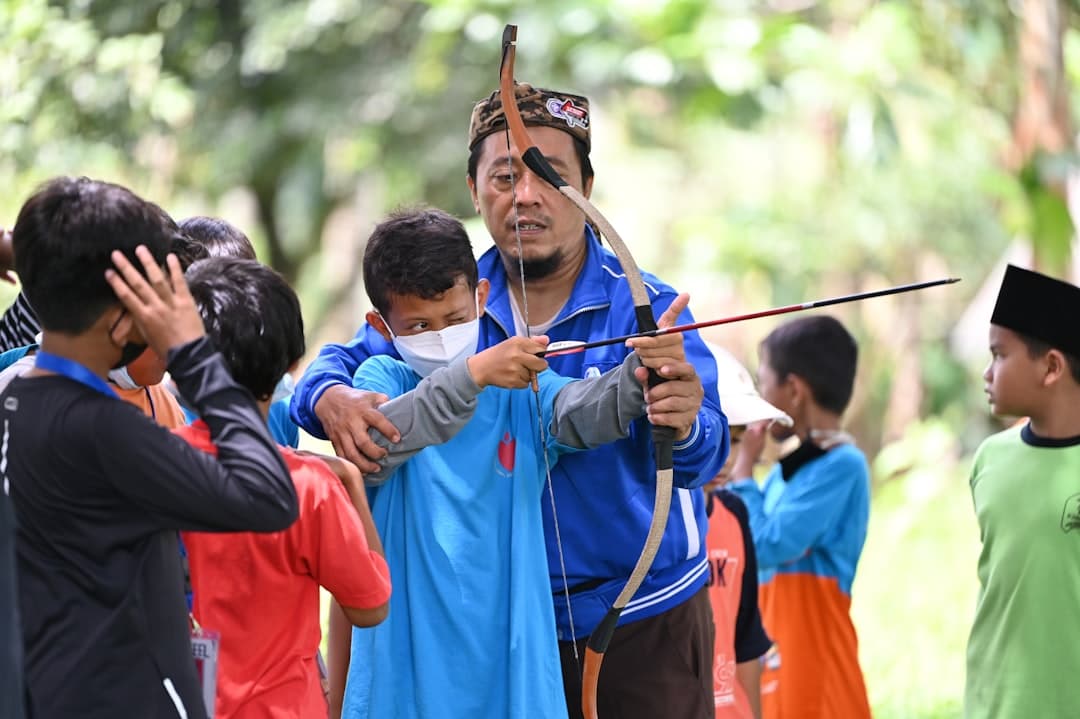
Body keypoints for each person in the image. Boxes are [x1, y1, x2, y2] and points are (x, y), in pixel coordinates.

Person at [294, 83, 727, 719]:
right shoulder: (448, 296)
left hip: (639, 622)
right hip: (497, 632)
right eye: (503, 176)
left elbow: (691, 451)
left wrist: (669, 408)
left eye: (549, 176)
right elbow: (345, 363)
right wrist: (326, 395)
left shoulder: (647, 307)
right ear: (474, 190)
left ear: (585, 186)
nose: (525, 195)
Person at [329, 207, 699, 719]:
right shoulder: (384, 380)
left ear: (480, 297)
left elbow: (584, 412)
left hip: (511, 675)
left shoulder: (522, 389)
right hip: (408, 677)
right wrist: (473, 375)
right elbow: (377, 444)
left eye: (456, 319)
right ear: (381, 325)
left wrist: (640, 373)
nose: (440, 335)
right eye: (418, 325)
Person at [1, 176, 299, 718]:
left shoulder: (17, 396)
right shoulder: (101, 431)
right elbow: (267, 495)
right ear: (121, 321)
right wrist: (191, 351)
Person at [178, 257, 391, 719]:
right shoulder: (310, 488)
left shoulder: (157, 462)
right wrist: (352, 484)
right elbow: (371, 606)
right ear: (292, 365)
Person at [727, 316, 871, 719]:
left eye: (764, 381)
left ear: (793, 390)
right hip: (777, 655)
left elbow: (766, 544)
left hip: (817, 665)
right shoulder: (782, 473)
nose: (760, 396)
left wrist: (742, 475)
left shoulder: (844, 466)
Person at [965, 265, 1080, 718]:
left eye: (998, 355)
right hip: (993, 705)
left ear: (1051, 366)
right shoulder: (989, 460)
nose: (987, 372)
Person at [704, 344, 783, 719]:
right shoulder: (654, 522)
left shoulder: (734, 515)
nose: (726, 454)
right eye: (714, 434)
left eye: (736, 440)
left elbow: (748, 636)